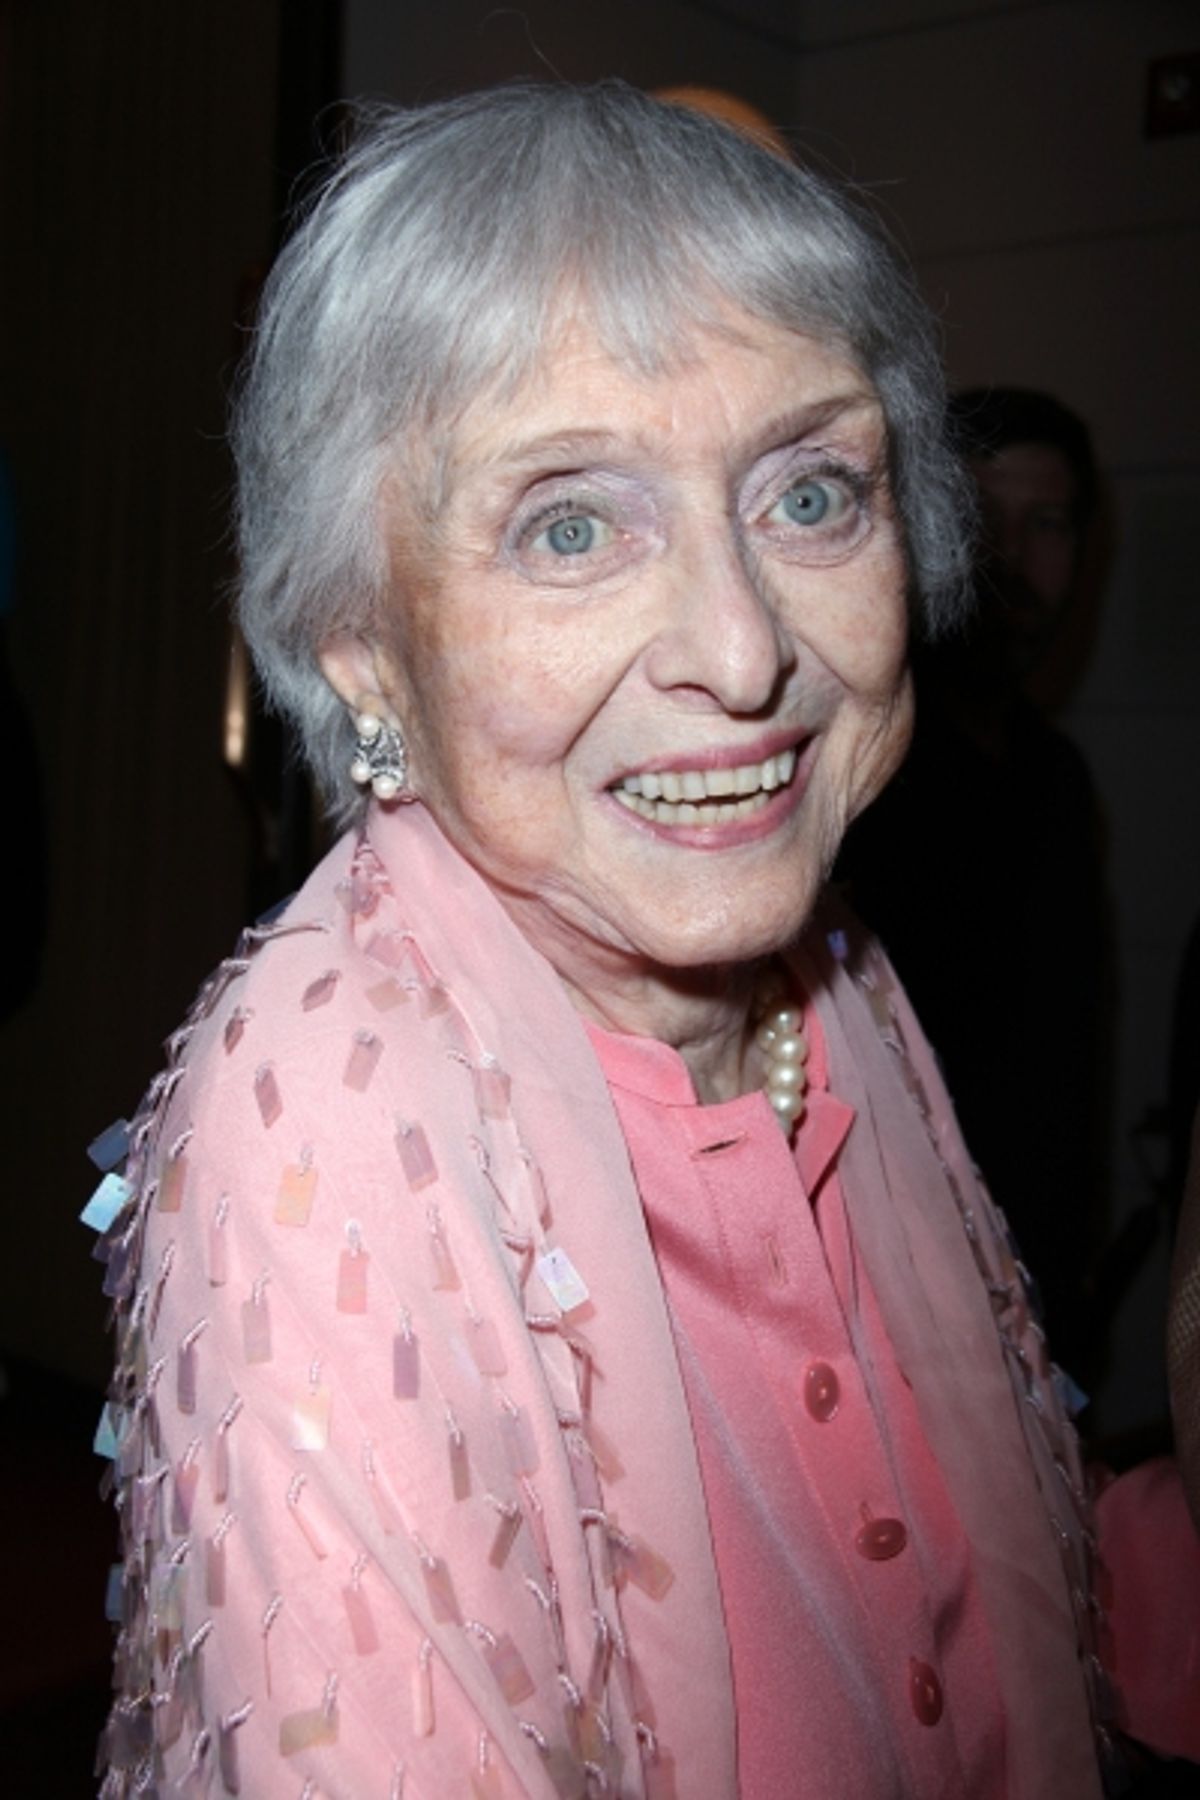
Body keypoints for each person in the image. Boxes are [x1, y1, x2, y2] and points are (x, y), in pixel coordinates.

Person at [93, 85, 1135, 1797]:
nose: (742, 652)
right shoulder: (327, 1110)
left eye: (812, 495)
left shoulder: (836, 979)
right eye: (571, 525)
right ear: (361, 640)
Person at [838, 388, 1109, 1383]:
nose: (1012, 558)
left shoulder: (1058, 780)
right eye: (981, 516)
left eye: (1048, 524)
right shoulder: (851, 772)